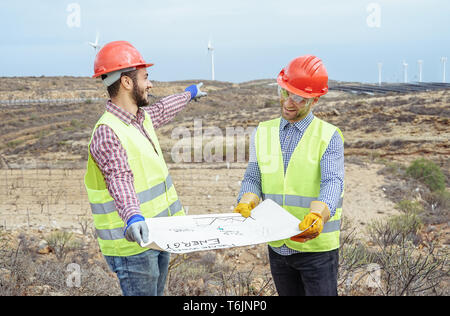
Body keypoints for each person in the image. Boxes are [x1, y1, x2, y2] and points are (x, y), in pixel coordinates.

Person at [84, 41, 207, 296]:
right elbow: (119, 178)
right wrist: (133, 217)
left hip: (158, 235)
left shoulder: (141, 118)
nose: (150, 84)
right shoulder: (108, 133)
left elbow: (164, 108)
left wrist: (189, 94)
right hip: (134, 246)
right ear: (127, 83)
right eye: (145, 77)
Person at [234, 55, 344, 296]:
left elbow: (332, 181)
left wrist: (318, 215)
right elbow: (254, 176)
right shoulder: (263, 131)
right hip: (278, 245)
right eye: (284, 92)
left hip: (316, 250)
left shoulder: (329, 136)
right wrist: (247, 199)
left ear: (315, 99)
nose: (288, 102)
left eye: (299, 97)